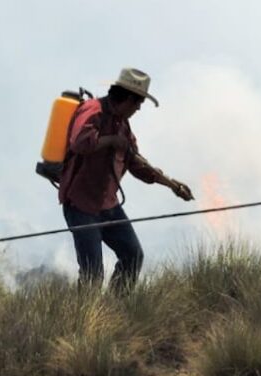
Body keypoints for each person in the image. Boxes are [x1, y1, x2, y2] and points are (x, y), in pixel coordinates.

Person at [58, 67, 194, 294]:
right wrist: (110, 141)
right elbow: (79, 142)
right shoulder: (93, 110)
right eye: (138, 103)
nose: (139, 108)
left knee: (133, 255)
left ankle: (116, 308)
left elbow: (136, 163)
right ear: (129, 99)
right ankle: (82, 322)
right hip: (81, 205)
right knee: (92, 274)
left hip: (108, 206)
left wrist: (171, 185)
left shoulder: (123, 125)